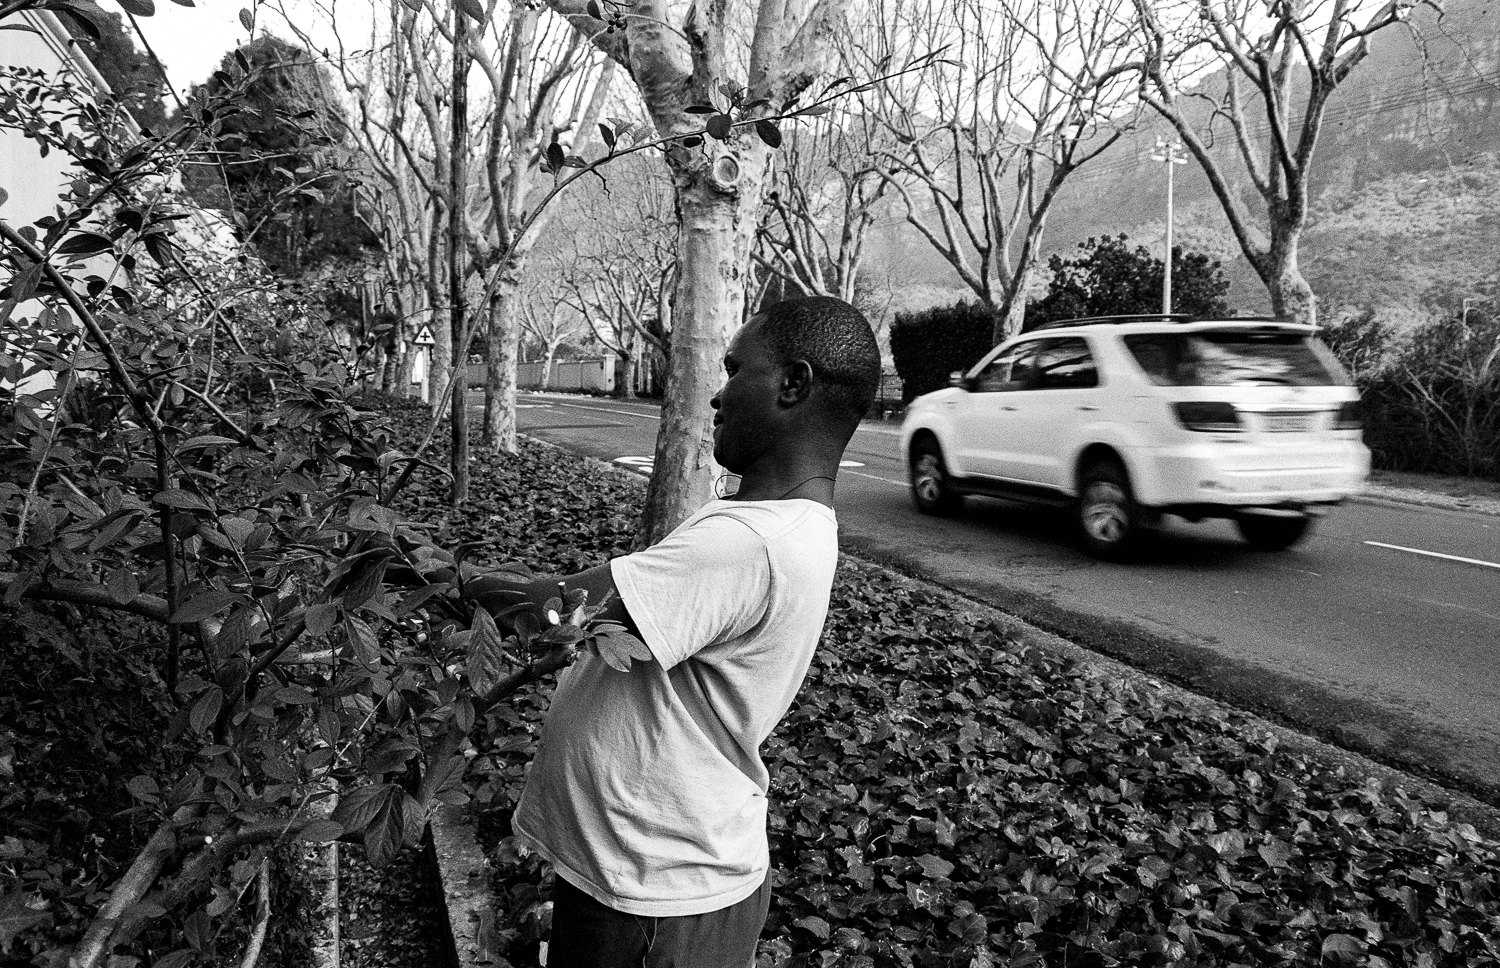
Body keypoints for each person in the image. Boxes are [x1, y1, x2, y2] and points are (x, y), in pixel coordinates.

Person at [470, 296, 882, 967]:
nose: (716, 396)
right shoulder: (784, 524)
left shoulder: (753, 543)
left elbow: (552, 612)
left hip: (658, 897)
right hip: (646, 876)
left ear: (793, 384)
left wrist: (440, 572)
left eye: (734, 370)